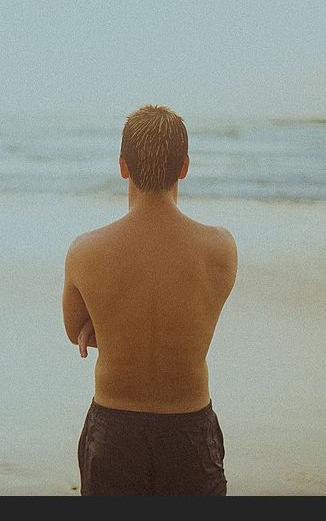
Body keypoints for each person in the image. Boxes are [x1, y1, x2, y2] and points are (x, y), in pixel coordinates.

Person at [62, 105, 237, 495]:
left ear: (123, 166)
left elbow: (75, 329)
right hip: (190, 427)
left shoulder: (86, 250)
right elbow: (196, 311)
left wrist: (110, 322)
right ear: (185, 166)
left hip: (114, 427)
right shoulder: (220, 248)